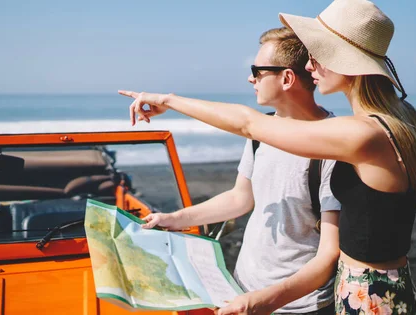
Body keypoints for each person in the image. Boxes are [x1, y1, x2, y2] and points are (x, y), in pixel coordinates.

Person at [120, 0, 416, 314]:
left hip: (370, 296)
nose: (310, 66)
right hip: (374, 287)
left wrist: (167, 100)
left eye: (318, 54)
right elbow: (246, 179)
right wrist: (174, 220)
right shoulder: (399, 117)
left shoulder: (361, 135)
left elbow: (247, 123)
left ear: (344, 61)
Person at [139, 27, 341, 315]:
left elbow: (328, 256)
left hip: (298, 306)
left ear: (286, 78)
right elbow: (240, 199)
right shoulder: (261, 133)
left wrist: (266, 301)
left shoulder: (334, 147)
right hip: (241, 289)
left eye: (257, 71)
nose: (250, 78)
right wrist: (174, 219)